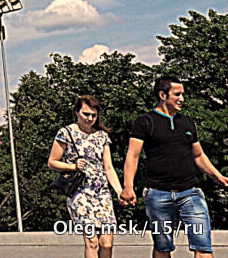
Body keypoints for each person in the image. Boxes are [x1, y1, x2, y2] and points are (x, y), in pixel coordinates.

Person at [120, 76, 228, 258]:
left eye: (183, 94)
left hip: (190, 193)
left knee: (203, 246)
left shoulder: (187, 122)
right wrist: (128, 187)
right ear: (163, 95)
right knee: (163, 248)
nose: (182, 99)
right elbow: (133, 155)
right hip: (158, 194)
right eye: (177, 94)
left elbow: (198, 155)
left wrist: (219, 177)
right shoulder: (145, 121)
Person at [48, 95, 123, 258]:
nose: (90, 118)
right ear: (77, 112)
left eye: (93, 115)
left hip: (102, 193)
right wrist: (72, 166)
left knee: (107, 243)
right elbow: (52, 162)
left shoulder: (102, 136)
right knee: (92, 242)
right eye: (86, 114)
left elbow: (108, 167)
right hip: (80, 192)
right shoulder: (66, 133)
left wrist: (119, 191)